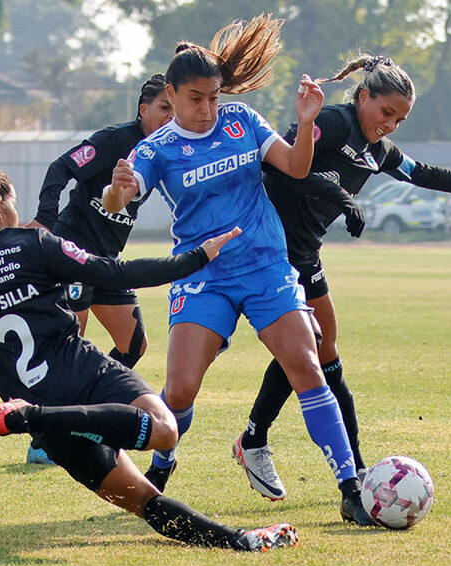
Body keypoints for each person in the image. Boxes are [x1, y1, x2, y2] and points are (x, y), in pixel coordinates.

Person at [0, 157, 297, 552]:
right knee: (164, 432)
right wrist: (195, 258)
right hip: (87, 373)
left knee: (148, 502)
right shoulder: (32, 243)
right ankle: (239, 540)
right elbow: (115, 272)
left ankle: (28, 419)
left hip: (48, 416)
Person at [231, 54, 451, 500]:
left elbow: (431, 175)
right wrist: (339, 195)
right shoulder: (333, 122)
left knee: (323, 349)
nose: (390, 124)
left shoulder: (379, 152)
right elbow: (280, 165)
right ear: (363, 97)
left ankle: (291, 451)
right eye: (386, 112)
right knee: (311, 348)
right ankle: (326, 463)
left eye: (400, 119)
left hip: (305, 251)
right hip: (270, 245)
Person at [104, 15, 375, 526]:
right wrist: (117, 189)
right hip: (203, 274)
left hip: (266, 266)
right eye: (195, 99)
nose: (207, 109)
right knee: (181, 390)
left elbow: (296, 167)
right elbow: (124, 193)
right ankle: (160, 470)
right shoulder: (157, 147)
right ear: (172, 94)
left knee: (308, 367)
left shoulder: (242, 120)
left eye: (213, 97)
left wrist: (309, 121)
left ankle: (349, 488)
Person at [20, 74, 173, 465]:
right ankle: (43, 438)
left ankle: (90, 412)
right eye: (164, 108)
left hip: (106, 264)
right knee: (69, 348)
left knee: (133, 344)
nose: (172, 116)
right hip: (73, 251)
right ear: (143, 110)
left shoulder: (163, 152)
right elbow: (61, 167)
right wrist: (44, 219)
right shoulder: (113, 141)